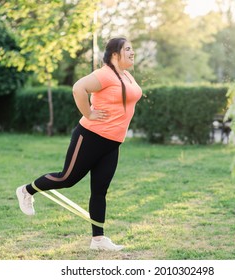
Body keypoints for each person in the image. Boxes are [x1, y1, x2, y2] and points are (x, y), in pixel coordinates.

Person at [16, 37, 142, 251]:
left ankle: (98, 240)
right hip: (91, 136)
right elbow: (78, 88)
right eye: (128, 49)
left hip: (112, 143)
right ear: (114, 54)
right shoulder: (105, 74)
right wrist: (88, 113)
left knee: (100, 189)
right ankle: (26, 191)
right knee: (67, 178)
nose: (132, 52)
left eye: (132, 48)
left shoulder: (127, 75)